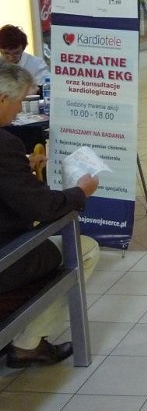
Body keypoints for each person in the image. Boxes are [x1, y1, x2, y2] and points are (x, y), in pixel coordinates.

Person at [0, 61, 100, 368]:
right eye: (18, 103)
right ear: (3, 99)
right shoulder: (4, 144)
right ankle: (27, 345)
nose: (18, 112)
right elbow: (42, 207)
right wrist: (80, 192)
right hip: (7, 257)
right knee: (85, 249)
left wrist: (21, 164)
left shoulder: (8, 150)